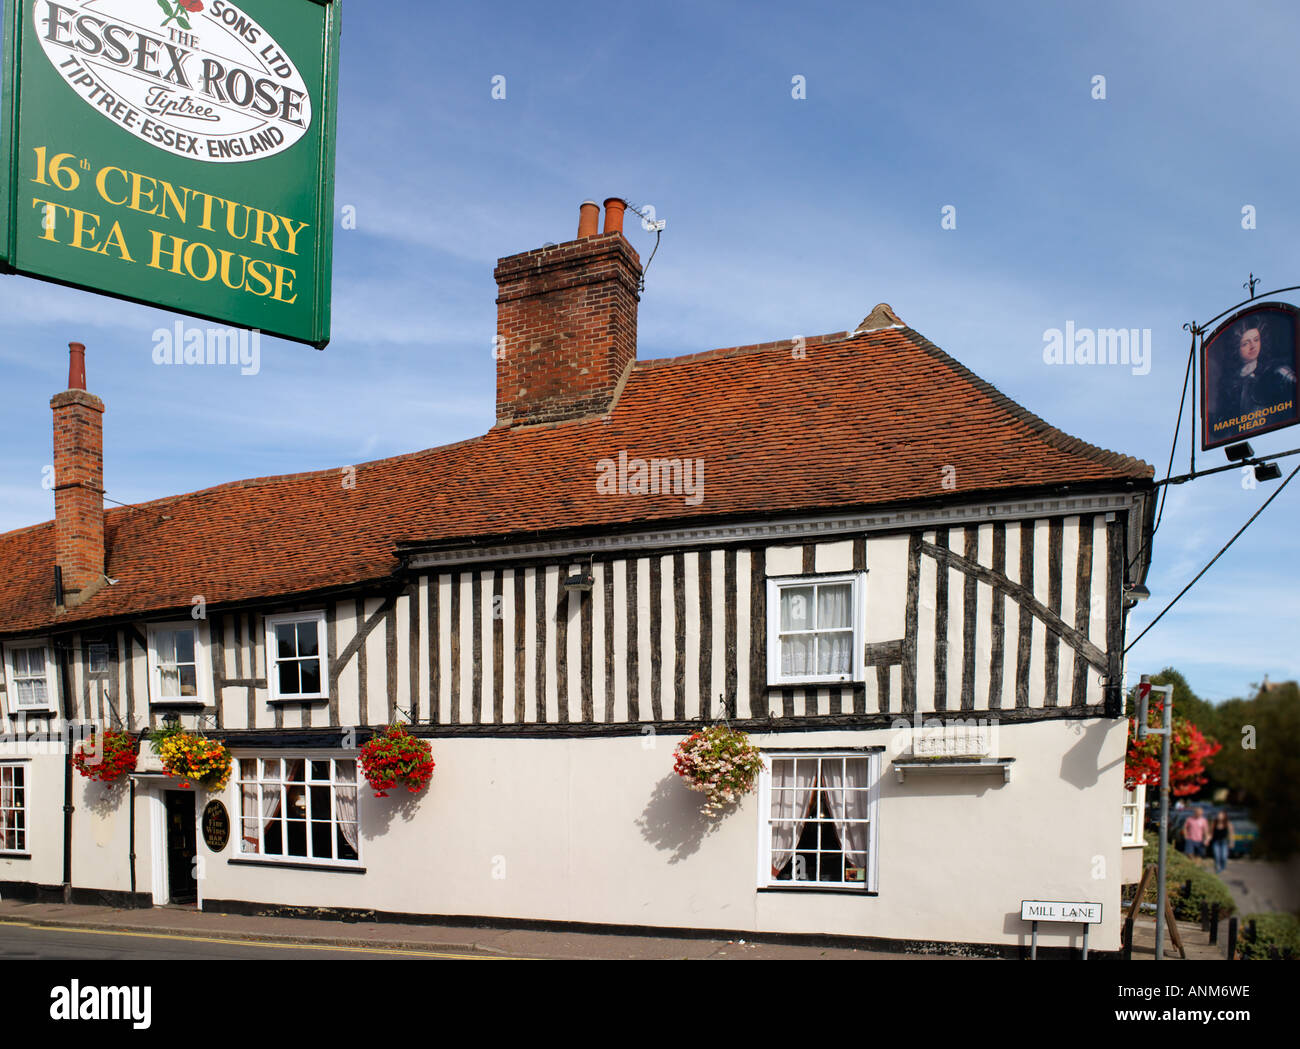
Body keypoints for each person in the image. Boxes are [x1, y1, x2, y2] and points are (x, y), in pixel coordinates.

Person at [1213, 319, 1298, 430]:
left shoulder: (1275, 370)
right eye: (1245, 343)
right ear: (1235, 348)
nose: (1253, 346)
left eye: (1256, 340)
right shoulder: (1228, 383)